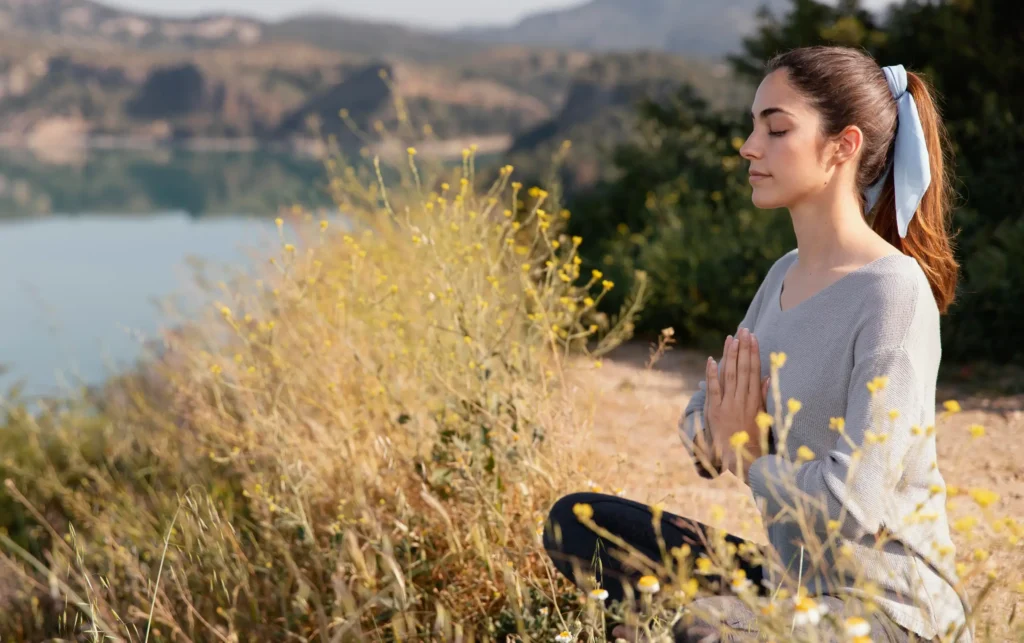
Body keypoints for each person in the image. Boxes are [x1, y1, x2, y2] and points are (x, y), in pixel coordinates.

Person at [542, 45, 971, 643]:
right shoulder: (785, 274)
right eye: (753, 127)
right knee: (578, 525)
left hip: (888, 610)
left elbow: (855, 505)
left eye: (776, 128)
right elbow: (702, 418)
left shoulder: (892, 293)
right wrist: (728, 436)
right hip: (795, 586)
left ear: (843, 146)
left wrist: (750, 456)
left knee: (706, 629)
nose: (750, 146)